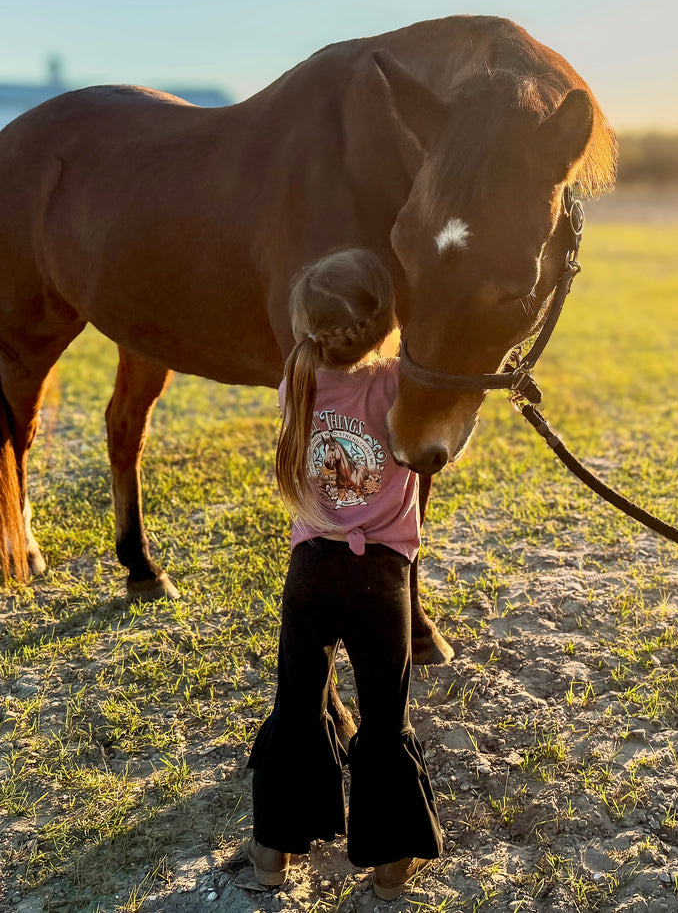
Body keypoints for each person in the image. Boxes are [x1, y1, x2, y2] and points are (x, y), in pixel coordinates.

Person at [248, 247, 443, 899]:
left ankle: (270, 857)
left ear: (309, 331)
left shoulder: (295, 382)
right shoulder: (396, 386)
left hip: (308, 570)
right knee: (384, 719)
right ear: (383, 322)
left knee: (297, 707)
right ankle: (390, 866)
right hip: (379, 577)